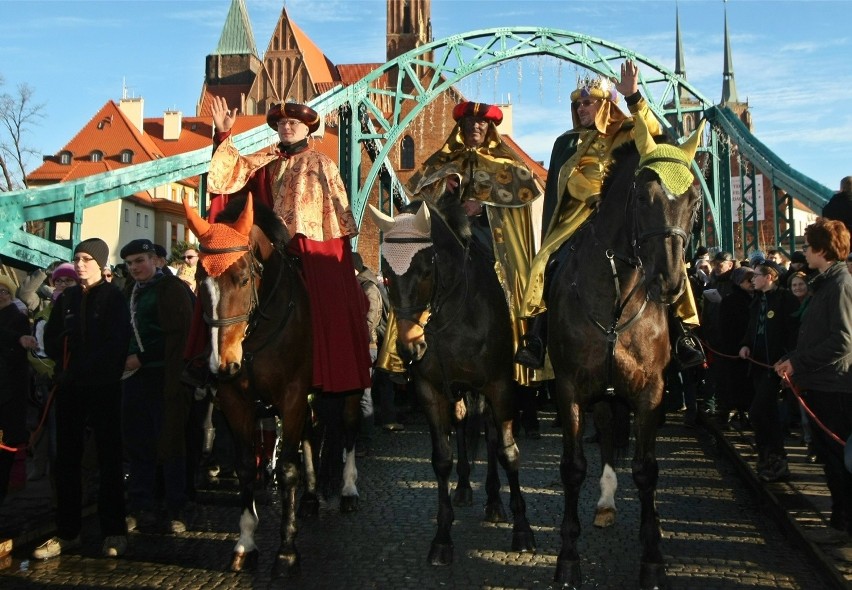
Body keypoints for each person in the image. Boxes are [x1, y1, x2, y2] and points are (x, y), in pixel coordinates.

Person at [515, 60, 704, 371]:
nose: (581, 110)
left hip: (625, 215)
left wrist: (633, 96)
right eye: (577, 104)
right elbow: (564, 180)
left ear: (605, 104)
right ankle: (537, 337)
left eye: (588, 103)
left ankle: (684, 332)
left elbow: (657, 133)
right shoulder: (566, 142)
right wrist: (587, 191)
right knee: (544, 262)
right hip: (579, 216)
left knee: (669, 259)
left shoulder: (629, 133)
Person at [205, 97, 370, 398]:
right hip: (272, 249)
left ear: (308, 129)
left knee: (330, 303)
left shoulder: (323, 164)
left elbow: (336, 216)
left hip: (309, 248)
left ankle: (330, 368)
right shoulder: (265, 163)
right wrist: (222, 135)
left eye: (293, 123)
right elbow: (227, 180)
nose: (286, 127)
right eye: (281, 124)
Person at [393, 99, 544, 389]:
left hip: (488, 238)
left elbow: (520, 205)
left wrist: (485, 205)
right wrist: (440, 187)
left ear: (490, 128)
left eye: (482, 123)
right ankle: (399, 354)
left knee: (514, 281)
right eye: (470, 123)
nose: (476, 127)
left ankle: (525, 343)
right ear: (460, 127)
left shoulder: (508, 164)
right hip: (445, 238)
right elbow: (419, 204)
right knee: (410, 273)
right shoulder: (442, 162)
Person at [33, 238, 131, 560]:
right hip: (71, 389)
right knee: (67, 461)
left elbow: (115, 344)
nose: (80, 264)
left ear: (100, 264)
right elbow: (50, 337)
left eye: (87, 259)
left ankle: (113, 530)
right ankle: (68, 531)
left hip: (103, 387)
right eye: (77, 258)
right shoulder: (68, 299)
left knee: (109, 459)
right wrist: (63, 351)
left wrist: (83, 365)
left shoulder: (115, 298)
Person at [775, 218, 852, 536]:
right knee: (831, 459)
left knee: (839, 459)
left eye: (807, 246)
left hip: (834, 386)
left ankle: (845, 518)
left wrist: (798, 362)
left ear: (822, 249)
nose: (804, 251)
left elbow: (843, 341)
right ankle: (840, 515)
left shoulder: (840, 285)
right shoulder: (826, 283)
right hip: (820, 382)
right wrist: (792, 360)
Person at [120, 238, 194, 534]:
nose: (134, 268)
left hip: (165, 377)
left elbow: (180, 336)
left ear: (156, 261)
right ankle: (142, 504)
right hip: (133, 378)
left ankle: (177, 506)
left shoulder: (173, 290)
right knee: (139, 442)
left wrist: (143, 357)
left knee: (170, 441)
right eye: (129, 263)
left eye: (140, 261)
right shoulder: (130, 291)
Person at [739, 261, 800, 482]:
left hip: (774, 365)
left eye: (756, 275)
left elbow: (794, 333)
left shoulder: (785, 300)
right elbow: (752, 326)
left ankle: (775, 456)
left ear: (770, 277)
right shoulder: (756, 301)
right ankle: (769, 459)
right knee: (768, 413)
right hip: (757, 363)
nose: (752, 279)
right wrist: (745, 344)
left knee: (758, 411)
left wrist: (786, 358)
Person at [0, 274, 30, 506]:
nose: (1, 294)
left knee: (8, 438)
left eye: (4, 290)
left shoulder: (18, 318)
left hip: (9, 387)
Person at [717, 266, 755, 427]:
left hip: (748, 349)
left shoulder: (756, 298)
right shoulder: (731, 300)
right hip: (734, 349)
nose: (752, 283)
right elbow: (726, 327)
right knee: (735, 383)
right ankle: (733, 412)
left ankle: (744, 412)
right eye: (748, 280)